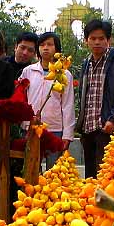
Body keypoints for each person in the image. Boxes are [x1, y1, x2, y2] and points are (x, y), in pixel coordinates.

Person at [75, 19, 114, 179]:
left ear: (109, 40)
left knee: (110, 179)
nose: (97, 42)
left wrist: (113, 119)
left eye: (101, 38)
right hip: (88, 130)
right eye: (93, 38)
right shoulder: (86, 64)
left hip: (109, 130)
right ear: (86, 40)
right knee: (91, 179)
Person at [21, 31, 75, 168]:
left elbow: (68, 105)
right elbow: (22, 98)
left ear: (57, 49)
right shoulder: (28, 71)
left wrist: (67, 134)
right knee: (31, 168)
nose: (45, 48)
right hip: (31, 127)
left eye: (50, 44)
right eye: (42, 44)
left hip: (55, 129)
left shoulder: (64, 74)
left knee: (54, 172)